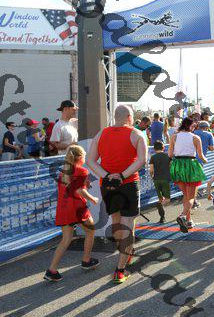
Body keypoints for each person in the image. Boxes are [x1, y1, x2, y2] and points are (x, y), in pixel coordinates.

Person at [87, 105, 148, 284]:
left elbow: (90, 160)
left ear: (115, 116)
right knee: (127, 224)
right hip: (128, 184)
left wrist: (107, 176)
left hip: (107, 185)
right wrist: (121, 176)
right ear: (129, 117)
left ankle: (125, 251)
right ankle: (120, 270)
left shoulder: (101, 134)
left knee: (116, 220)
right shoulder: (137, 134)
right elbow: (142, 160)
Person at [45, 145, 99, 282]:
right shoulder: (82, 170)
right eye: (84, 156)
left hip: (64, 208)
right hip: (77, 207)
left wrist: (85, 185)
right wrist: (93, 198)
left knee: (66, 239)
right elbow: (79, 190)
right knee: (91, 231)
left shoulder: (63, 172)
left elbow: (71, 188)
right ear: (80, 157)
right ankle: (86, 260)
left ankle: (52, 270)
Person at [169, 117, 208, 232]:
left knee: (185, 195)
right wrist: (206, 161)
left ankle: (188, 220)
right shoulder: (195, 137)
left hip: (178, 165)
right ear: (191, 126)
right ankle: (182, 215)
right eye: (194, 126)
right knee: (191, 197)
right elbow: (200, 156)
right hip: (190, 165)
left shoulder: (174, 137)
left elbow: (170, 154)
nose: (194, 128)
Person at [149, 141, 171, 223]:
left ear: (154, 149)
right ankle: (160, 205)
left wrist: (152, 176)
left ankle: (162, 218)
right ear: (163, 148)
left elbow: (151, 170)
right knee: (167, 199)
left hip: (156, 179)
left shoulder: (153, 157)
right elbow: (171, 166)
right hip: (165, 179)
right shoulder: (167, 156)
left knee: (160, 198)